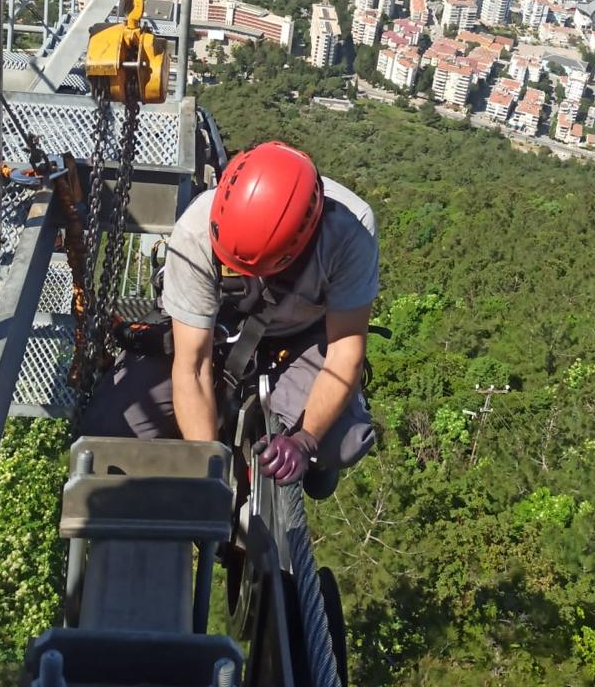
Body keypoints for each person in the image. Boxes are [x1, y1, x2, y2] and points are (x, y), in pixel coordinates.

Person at [85, 141, 379, 496]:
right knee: (109, 428)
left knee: (343, 441)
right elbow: (192, 365)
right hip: (216, 329)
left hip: (300, 338)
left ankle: (309, 449)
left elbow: (345, 350)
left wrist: (305, 441)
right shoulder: (196, 229)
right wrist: (208, 471)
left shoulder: (349, 230)